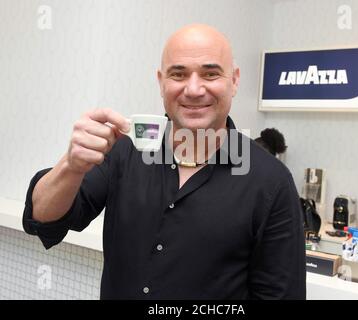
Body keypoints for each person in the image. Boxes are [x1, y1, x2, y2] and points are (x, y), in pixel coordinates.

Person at [23, 24, 306, 299]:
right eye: (179, 74)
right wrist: (71, 166)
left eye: (210, 74)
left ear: (233, 81)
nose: (194, 89)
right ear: (161, 82)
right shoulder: (125, 151)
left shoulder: (272, 182)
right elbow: (45, 218)